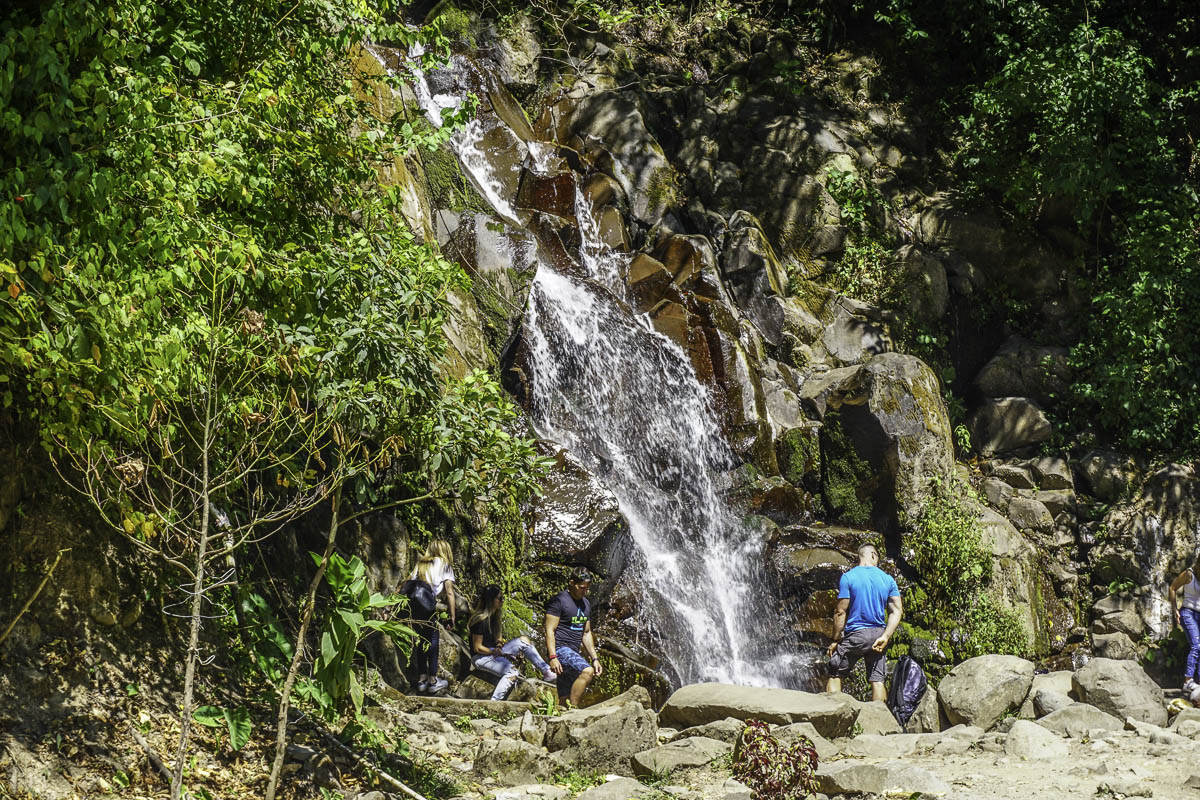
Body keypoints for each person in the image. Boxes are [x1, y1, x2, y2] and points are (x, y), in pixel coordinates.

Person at [826, 543, 902, 702]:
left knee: (835, 674)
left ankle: (833, 713)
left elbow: (840, 611)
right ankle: (880, 717)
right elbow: (896, 611)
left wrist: (835, 640)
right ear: (873, 555)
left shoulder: (848, 577)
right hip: (878, 635)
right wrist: (885, 636)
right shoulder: (888, 579)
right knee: (878, 680)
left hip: (856, 635)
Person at [468, 584, 556, 700]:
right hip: (481, 657)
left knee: (524, 640)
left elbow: (498, 639)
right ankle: (494, 702)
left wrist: (499, 646)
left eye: (503, 598)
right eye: (500, 598)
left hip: (494, 652)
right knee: (512, 672)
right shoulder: (480, 620)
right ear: (491, 600)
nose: (502, 601)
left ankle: (546, 671)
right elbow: (477, 647)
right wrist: (495, 651)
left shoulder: (495, 617)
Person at [544, 568, 603, 707]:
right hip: (560, 650)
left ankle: (564, 712)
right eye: (582, 587)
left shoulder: (585, 604)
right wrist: (553, 657)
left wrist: (595, 659)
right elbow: (549, 630)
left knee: (564, 696)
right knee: (587, 671)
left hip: (573, 652)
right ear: (572, 583)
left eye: (587, 588)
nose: (585, 591)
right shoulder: (559, 601)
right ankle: (574, 711)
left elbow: (586, 633)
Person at [409, 538, 457, 693]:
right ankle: (432, 680)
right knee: (433, 642)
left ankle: (422, 679)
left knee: (421, 641)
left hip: (415, 606)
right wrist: (452, 615)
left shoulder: (422, 563)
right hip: (428, 606)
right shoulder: (445, 564)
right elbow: (449, 592)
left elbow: (408, 582)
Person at [1168, 556, 1200, 695]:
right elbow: (1172, 588)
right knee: (1196, 645)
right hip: (1188, 613)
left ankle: (1198, 683)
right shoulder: (1188, 574)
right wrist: (1175, 609)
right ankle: (1188, 681)